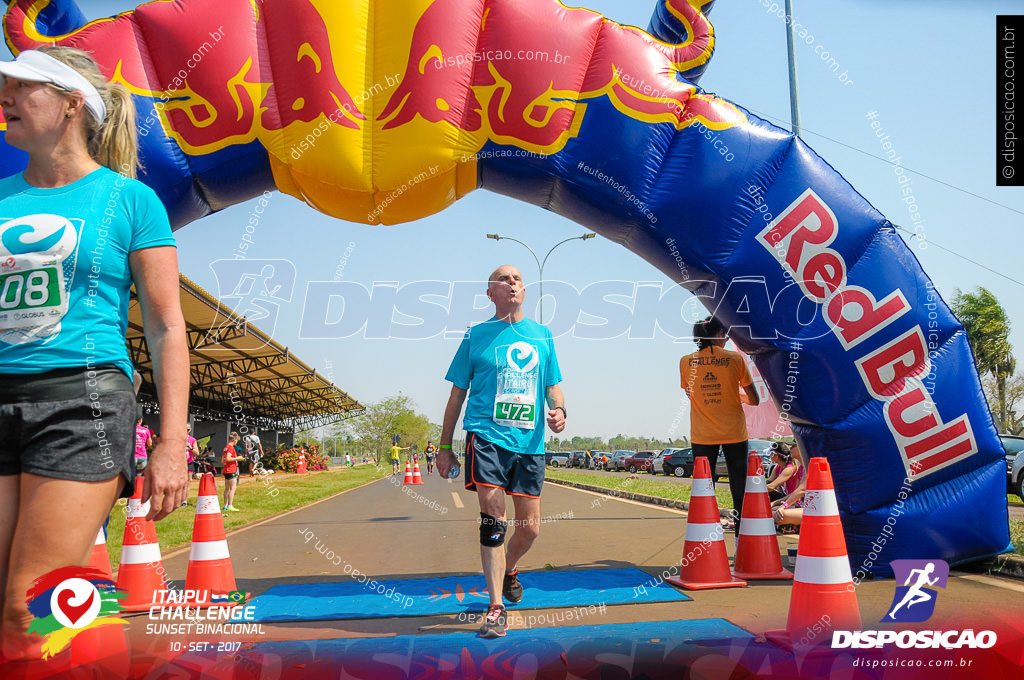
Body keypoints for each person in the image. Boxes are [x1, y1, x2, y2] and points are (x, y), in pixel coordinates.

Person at [0, 46, 188, 659]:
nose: (5, 98)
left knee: (25, 610)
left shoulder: (128, 200)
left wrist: (170, 446)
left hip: (81, 405)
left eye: (22, 87)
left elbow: (165, 327)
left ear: (70, 104)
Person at [436, 264, 566, 639]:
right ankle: (496, 608)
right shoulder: (476, 336)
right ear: (489, 293)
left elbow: (554, 387)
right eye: (503, 279)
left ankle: (510, 568)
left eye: (518, 279)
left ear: (524, 290)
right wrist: (445, 447)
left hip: (529, 444)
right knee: (494, 520)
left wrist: (559, 411)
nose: (512, 283)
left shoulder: (542, 337)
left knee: (530, 530)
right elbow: (456, 394)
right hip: (486, 436)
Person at [680, 316, 760, 532]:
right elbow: (755, 399)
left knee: (704, 486)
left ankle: (704, 533)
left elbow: (691, 393)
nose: (726, 337)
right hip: (735, 433)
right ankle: (742, 535)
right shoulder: (735, 359)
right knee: (739, 486)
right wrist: (736, 395)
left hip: (702, 435)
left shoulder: (686, 361)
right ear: (716, 335)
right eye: (724, 333)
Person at [222, 432, 241, 512]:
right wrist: (238, 458)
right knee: (233, 487)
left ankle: (225, 505)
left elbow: (223, 460)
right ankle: (230, 505)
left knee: (227, 488)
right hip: (231, 470)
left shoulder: (225, 448)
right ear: (235, 440)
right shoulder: (231, 448)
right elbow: (229, 458)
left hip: (226, 469)